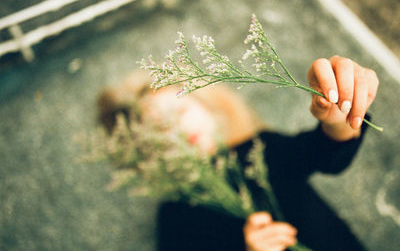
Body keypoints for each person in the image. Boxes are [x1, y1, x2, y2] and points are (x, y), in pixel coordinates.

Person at [98, 55, 379, 251]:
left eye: (181, 111)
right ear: (147, 152)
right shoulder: (177, 215)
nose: (180, 130)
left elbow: (325, 152)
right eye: (161, 128)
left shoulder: (258, 150)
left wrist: (339, 116)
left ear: (206, 105)